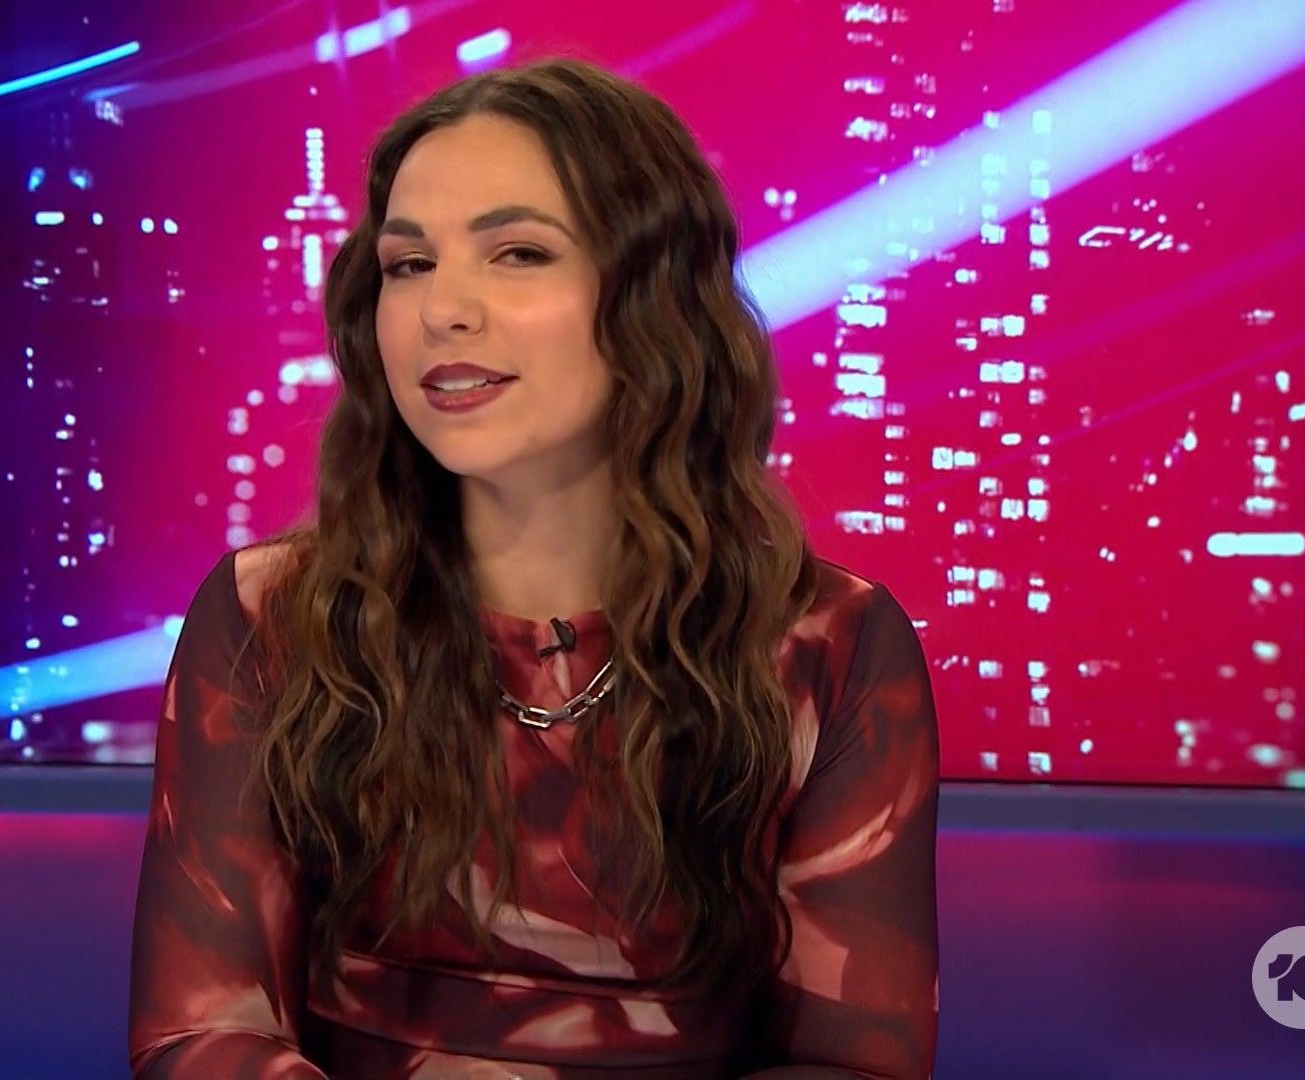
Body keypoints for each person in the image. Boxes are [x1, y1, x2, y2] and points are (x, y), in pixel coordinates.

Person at [129, 56, 939, 1080]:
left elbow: (855, 1064)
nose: (443, 309)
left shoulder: (829, 645)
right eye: (408, 265)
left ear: (653, 296)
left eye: (517, 253)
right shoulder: (274, 619)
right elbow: (198, 1036)